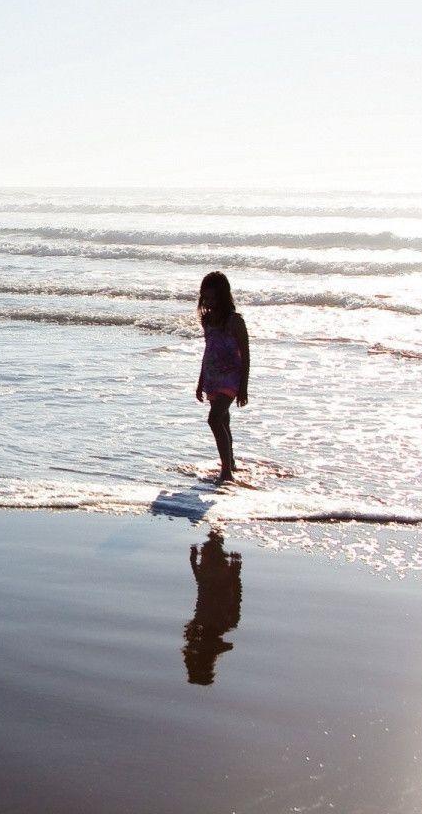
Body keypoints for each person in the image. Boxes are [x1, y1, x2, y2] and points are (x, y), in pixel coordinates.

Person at [193, 271, 247, 483]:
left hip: (231, 378)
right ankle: (230, 461)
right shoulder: (207, 320)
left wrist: (244, 387)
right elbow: (208, 352)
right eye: (205, 298)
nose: (208, 302)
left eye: (213, 298)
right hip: (212, 376)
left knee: (214, 418)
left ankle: (226, 471)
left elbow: (246, 355)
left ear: (223, 297)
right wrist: (200, 383)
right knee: (223, 418)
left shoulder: (235, 321)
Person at [183, 529, 242, 685]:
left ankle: (216, 529)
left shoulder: (225, 625)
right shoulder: (197, 631)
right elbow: (202, 585)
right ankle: (216, 529)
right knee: (215, 534)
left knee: (215, 535)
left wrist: (236, 574)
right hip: (217, 578)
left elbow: (235, 598)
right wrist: (193, 562)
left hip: (218, 578)